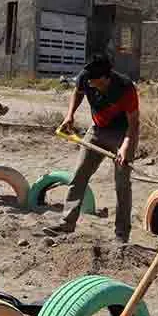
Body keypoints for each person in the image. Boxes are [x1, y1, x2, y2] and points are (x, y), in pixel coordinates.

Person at [45, 57, 139, 243]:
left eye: (96, 83)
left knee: (122, 184)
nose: (91, 86)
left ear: (106, 78)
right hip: (96, 131)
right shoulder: (86, 78)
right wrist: (70, 115)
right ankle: (66, 223)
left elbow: (134, 124)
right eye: (89, 82)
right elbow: (77, 92)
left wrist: (125, 147)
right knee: (79, 175)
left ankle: (121, 235)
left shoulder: (125, 88)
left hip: (122, 133)